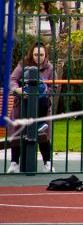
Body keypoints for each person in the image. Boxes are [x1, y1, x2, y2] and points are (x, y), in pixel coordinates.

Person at [5, 42, 57, 174]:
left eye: (41, 55)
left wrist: (44, 92)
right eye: (35, 54)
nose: (38, 57)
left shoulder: (50, 68)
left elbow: (53, 87)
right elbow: (12, 79)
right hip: (23, 105)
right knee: (18, 132)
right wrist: (18, 89)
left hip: (41, 105)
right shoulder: (23, 65)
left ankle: (48, 163)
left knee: (43, 134)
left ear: (45, 55)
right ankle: (14, 163)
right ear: (31, 54)